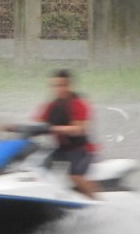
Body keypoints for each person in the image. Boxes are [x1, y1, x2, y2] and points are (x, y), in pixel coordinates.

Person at [34, 69, 97, 199]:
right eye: (55, 86)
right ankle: (45, 196)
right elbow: (37, 122)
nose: (58, 89)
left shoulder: (79, 104)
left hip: (82, 150)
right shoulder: (51, 106)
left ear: (69, 86)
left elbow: (79, 129)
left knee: (75, 176)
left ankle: (99, 206)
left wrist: (55, 128)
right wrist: (14, 127)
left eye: (61, 85)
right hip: (62, 150)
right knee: (38, 168)